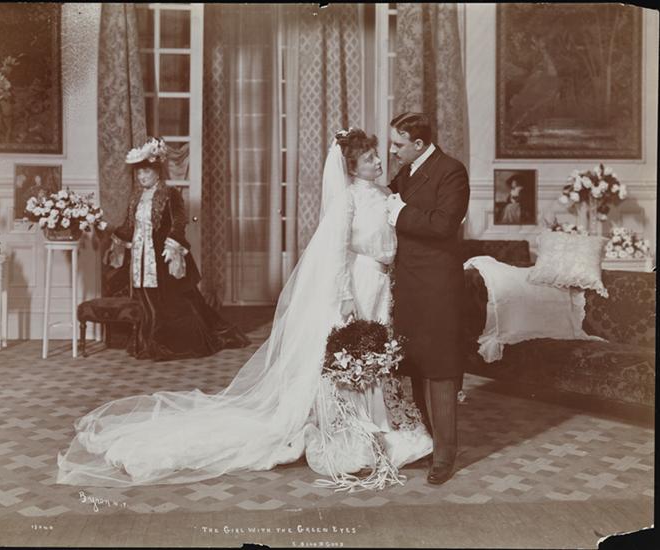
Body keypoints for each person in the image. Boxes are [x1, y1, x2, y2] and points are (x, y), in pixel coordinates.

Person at [57, 129, 432, 489]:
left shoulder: (384, 192)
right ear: (351, 167)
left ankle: (382, 419)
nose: (378, 161)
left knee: (378, 352)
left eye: (376, 155)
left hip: (381, 283)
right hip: (358, 284)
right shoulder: (347, 199)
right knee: (354, 353)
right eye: (369, 158)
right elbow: (336, 252)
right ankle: (352, 424)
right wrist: (346, 296)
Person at [104, 136, 249, 360]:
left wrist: (172, 246)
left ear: (157, 172)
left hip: (163, 257)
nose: (142, 176)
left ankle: (167, 343)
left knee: (172, 303)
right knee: (147, 301)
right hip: (141, 259)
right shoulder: (137, 197)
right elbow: (129, 226)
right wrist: (107, 231)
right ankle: (149, 342)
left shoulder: (169, 194)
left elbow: (179, 222)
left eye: (146, 172)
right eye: (139, 173)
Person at [386, 112, 470, 485]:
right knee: (417, 365)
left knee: (440, 368)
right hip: (409, 283)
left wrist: (400, 212)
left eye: (398, 144)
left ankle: (445, 456)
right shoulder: (407, 170)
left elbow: (442, 224)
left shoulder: (451, 171)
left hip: (437, 286)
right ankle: (429, 442)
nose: (392, 151)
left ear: (419, 144)